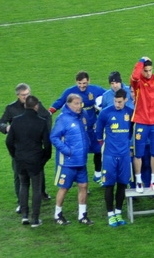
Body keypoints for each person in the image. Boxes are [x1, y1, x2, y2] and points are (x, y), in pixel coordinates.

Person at [0, 83, 52, 210]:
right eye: (23, 95)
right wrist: (6, 128)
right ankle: (20, 202)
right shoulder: (11, 108)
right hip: (19, 148)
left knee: (39, 171)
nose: (26, 97)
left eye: (28, 94)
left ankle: (42, 192)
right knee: (18, 175)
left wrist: (46, 131)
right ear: (18, 95)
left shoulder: (36, 104)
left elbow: (47, 116)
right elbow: (0, 122)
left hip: (35, 146)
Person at [49, 71, 105, 184]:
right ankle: (82, 181)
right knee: (82, 152)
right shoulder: (70, 92)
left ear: (89, 81)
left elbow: (108, 95)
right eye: (79, 83)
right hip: (79, 128)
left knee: (99, 149)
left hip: (94, 127)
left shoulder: (96, 90)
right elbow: (60, 102)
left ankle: (97, 174)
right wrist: (50, 112)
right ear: (76, 82)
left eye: (84, 83)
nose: (82, 86)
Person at [50, 94, 93, 225]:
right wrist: (67, 151)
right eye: (76, 103)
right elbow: (54, 137)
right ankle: (57, 214)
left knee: (84, 186)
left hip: (81, 160)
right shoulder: (63, 119)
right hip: (67, 162)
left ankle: (82, 215)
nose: (79, 106)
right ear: (68, 104)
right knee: (64, 188)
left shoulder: (82, 116)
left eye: (80, 103)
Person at [95, 89, 134, 227]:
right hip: (109, 155)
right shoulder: (105, 113)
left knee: (123, 184)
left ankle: (118, 212)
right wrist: (106, 145)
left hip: (124, 155)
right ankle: (110, 214)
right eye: (115, 101)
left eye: (120, 102)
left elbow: (130, 132)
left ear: (125, 100)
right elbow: (98, 133)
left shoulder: (130, 113)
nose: (117, 104)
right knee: (109, 185)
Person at [130, 56, 154, 192]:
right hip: (141, 122)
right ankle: (139, 181)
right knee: (138, 154)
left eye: (150, 70)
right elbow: (134, 76)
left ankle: (153, 181)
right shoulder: (137, 83)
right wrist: (140, 60)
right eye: (145, 70)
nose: (148, 73)